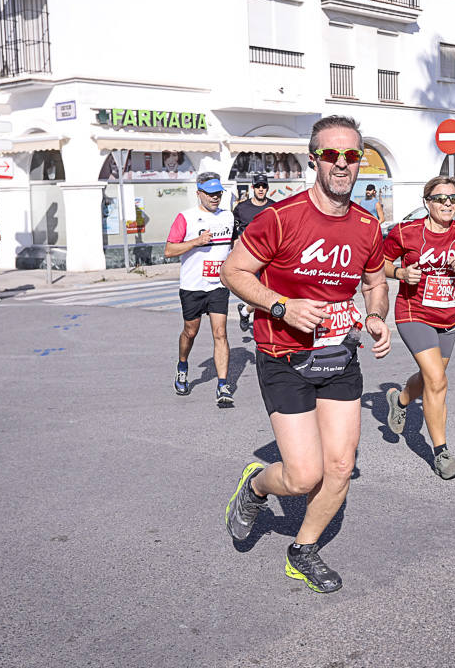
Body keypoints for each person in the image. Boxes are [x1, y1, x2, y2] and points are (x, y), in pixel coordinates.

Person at [221, 115, 391, 594]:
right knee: (302, 476)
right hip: (283, 355)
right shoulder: (279, 218)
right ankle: (256, 485)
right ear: (313, 159)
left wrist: (377, 316)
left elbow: (375, 283)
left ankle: (303, 549)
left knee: (339, 468)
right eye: (332, 154)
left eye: (352, 155)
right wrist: (281, 306)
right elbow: (233, 272)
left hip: (339, 357)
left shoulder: (366, 225)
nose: (342, 164)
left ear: (360, 161)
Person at [383, 176, 455, 479]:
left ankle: (400, 399)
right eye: (441, 198)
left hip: (448, 318)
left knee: (431, 378)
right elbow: (380, 262)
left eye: (453, 199)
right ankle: (441, 453)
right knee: (438, 381)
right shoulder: (406, 232)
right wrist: (401, 272)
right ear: (427, 202)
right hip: (413, 313)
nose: (447, 204)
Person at [164, 172, 236, 406]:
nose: (215, 197)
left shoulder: (228, 217)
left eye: (218, 193)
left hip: (217, 286)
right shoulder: (186, 217)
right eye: (210, 193)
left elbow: (233, 247)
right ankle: (182, 365)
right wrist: (196, 241)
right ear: (199, 193)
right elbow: (169, 251)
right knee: (190, 332)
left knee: (220, 333)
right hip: (192, 286)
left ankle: (223, 386)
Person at [232, 173, 276, 332]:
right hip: (249, 257)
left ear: (267, 188)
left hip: (271, 257)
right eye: (258, 186)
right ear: (253, 187)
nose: (261, 189)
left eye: (264, 186)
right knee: (259, 291)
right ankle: (256, 321)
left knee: (270, 290)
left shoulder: (274, 207)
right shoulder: (241, 208)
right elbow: (233, 232)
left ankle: (245, 311)